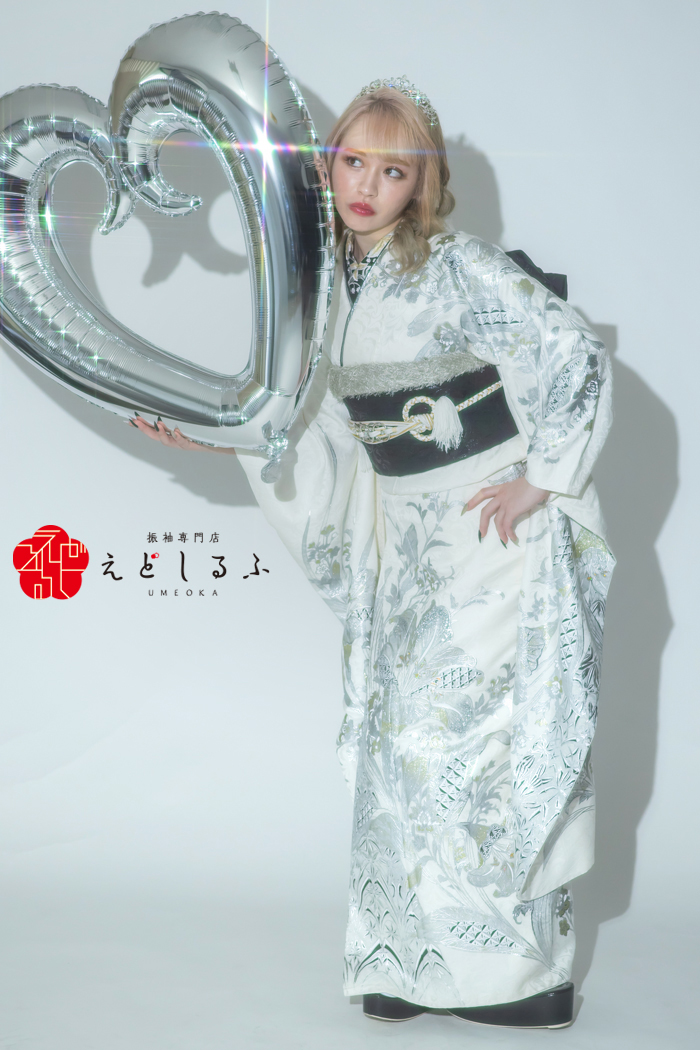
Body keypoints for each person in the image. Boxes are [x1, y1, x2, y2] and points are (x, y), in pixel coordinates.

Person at [133, 77, 614, 1029]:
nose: (366, 186)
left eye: (392, 171)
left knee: (477, 743)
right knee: (401, 746)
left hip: (489, 540)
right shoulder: (327, 288)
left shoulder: (461, 268)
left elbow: (574, 352)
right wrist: (220, 437)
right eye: (353, 162)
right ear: (328, 167)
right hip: (405, 539)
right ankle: (407, 959)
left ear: (420, 185)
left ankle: (522, 979)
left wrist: (543, 479)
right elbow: (315, 429)